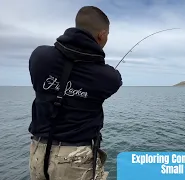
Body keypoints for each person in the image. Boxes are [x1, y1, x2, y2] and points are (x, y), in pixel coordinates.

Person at [28, 6, 122, 180]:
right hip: (76, 160)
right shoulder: (108, 77)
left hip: (38, 153)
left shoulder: (39, 56)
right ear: (101, 35)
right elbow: (110, 82)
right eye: (107, 34)